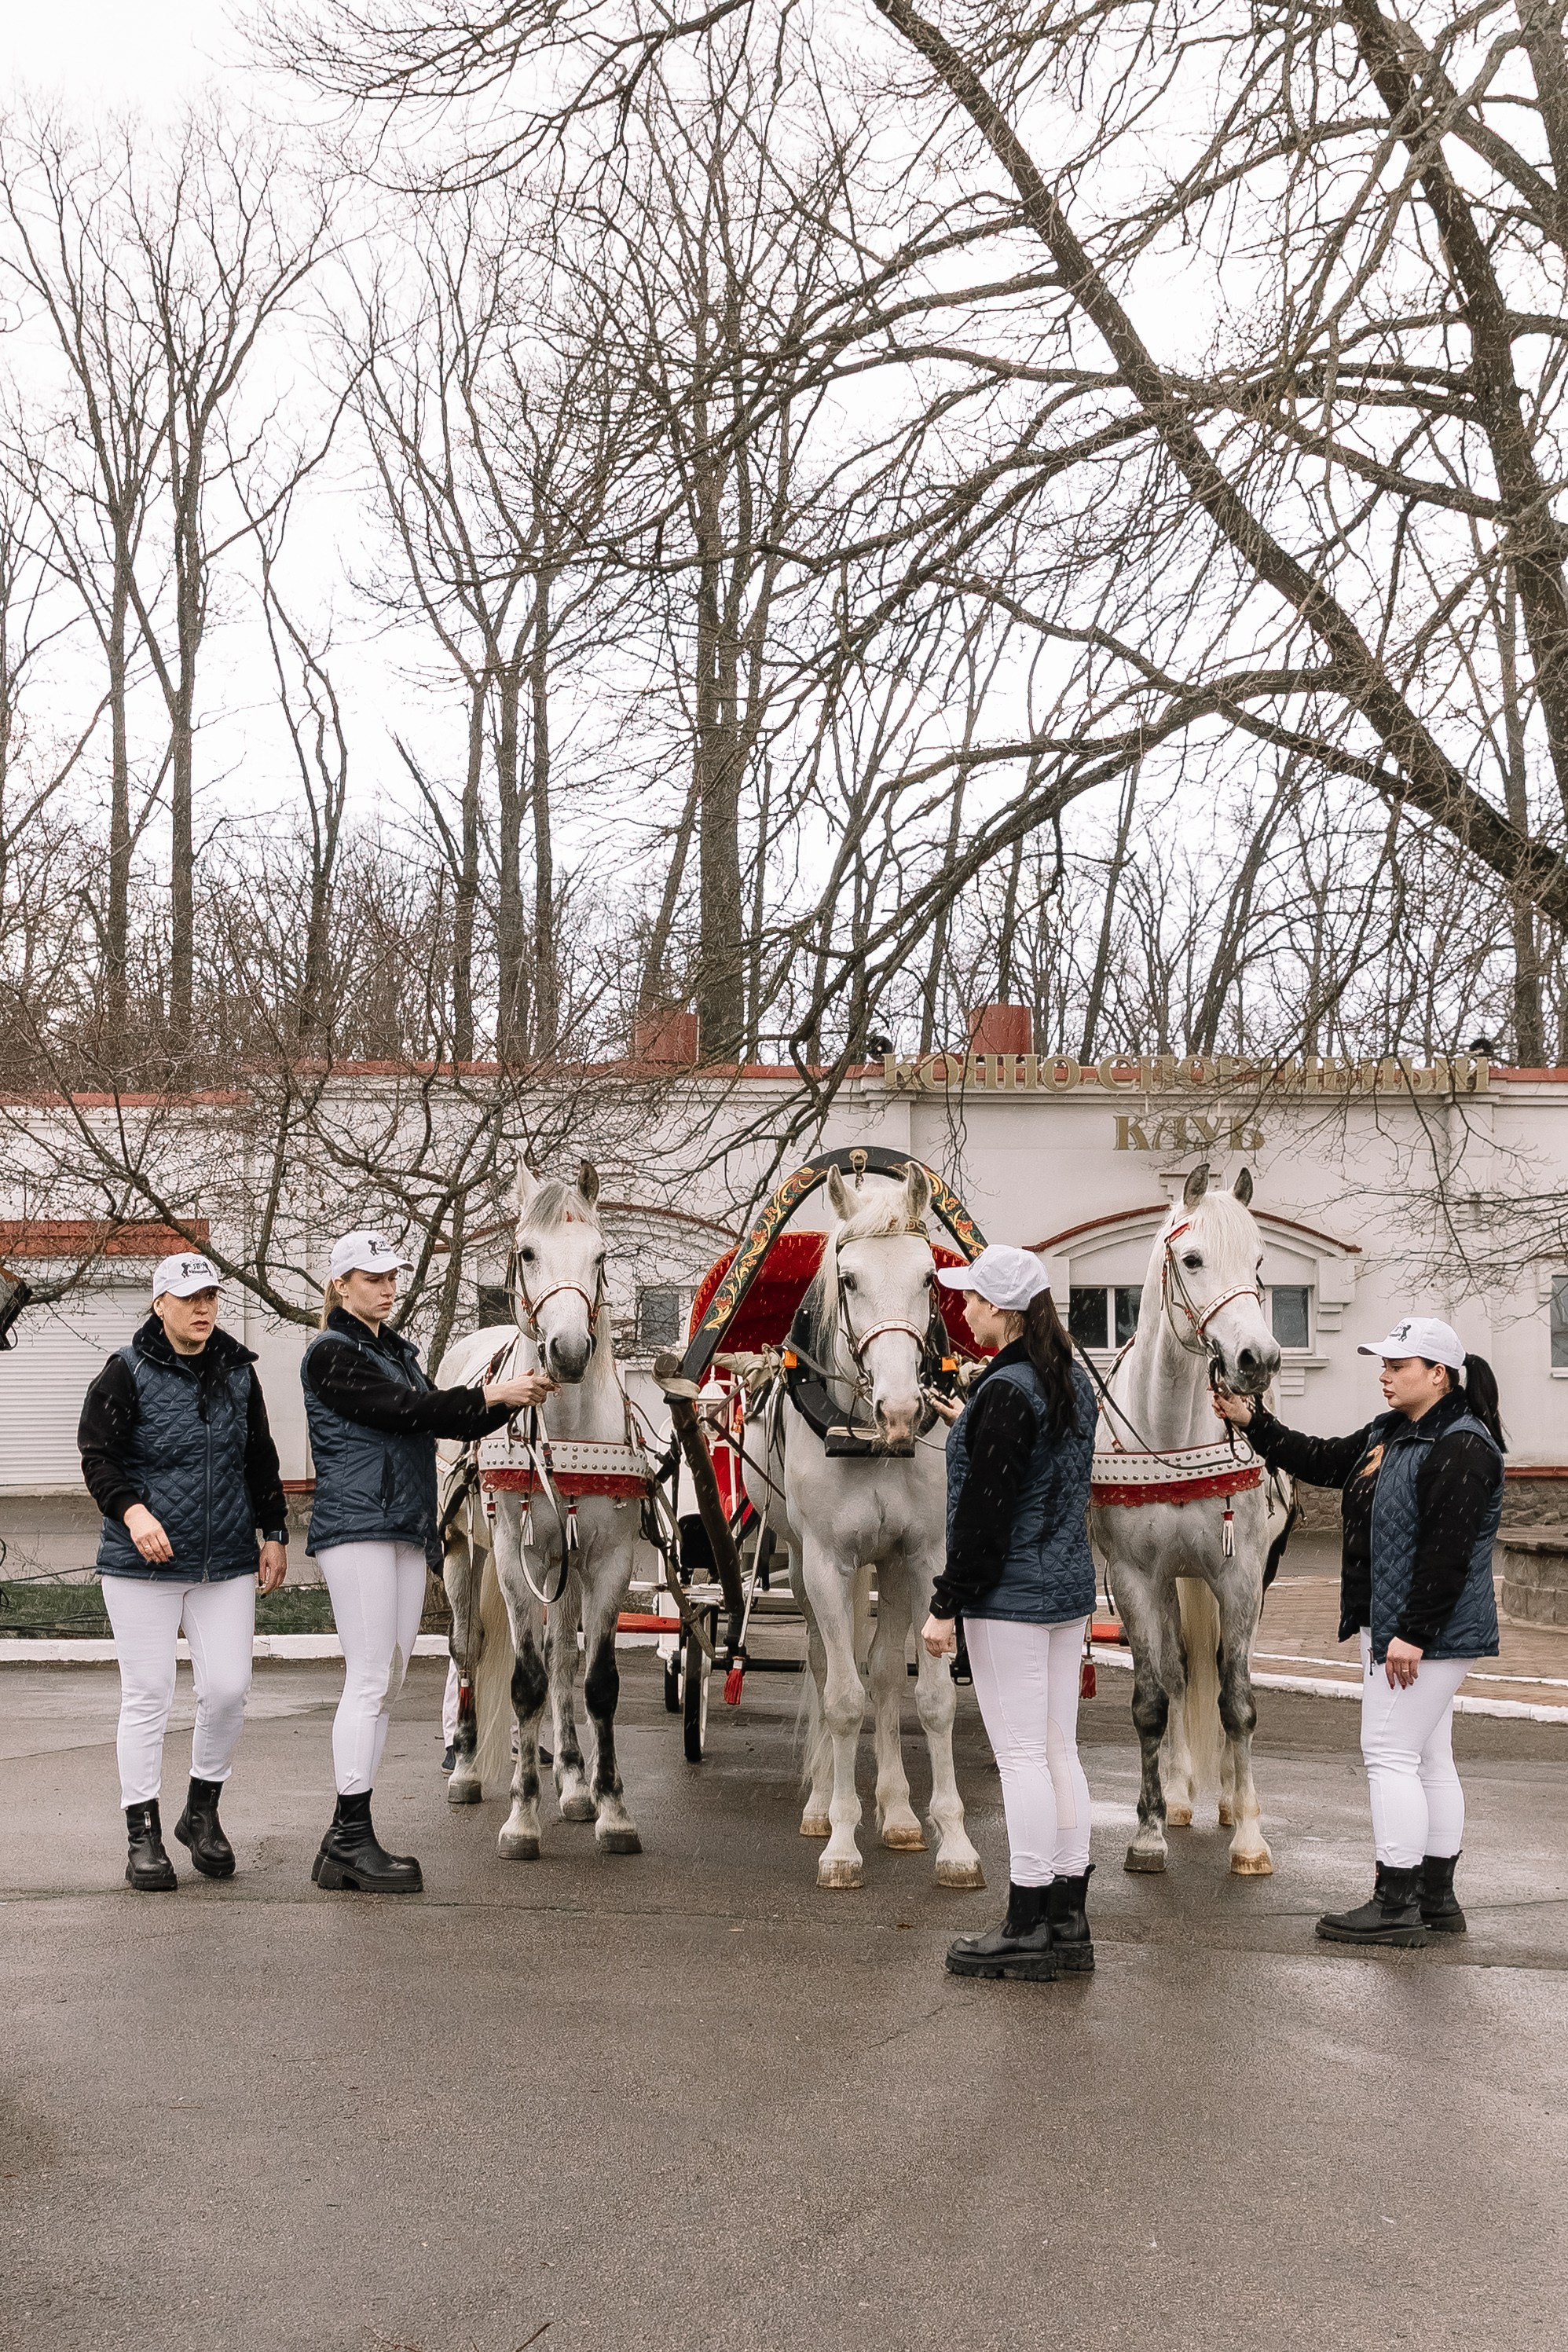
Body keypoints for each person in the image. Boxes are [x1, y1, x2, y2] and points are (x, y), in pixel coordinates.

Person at [1212, 1314, 1504, 1947]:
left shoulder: (1462, 1445)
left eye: (1398, 1367)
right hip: (1403, 1627)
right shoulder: (1390, 1432)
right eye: (1385, 1365)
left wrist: (1414, 1634)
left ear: (1440, 1374)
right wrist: (1252, 1422)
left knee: (1390, 1753)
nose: (1385, 1376)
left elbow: (1448, 1553)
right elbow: (1319, 1459)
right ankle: (1436, 1901)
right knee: (1427, 1757)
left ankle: (1395, 1903)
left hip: (1424, 1635)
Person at [301, 1230, 553, 1893]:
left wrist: (512, 1403)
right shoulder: (332, 1353)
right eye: (372, 1277)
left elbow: (449, 1423)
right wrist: (496, 1395)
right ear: (340, 1285)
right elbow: (406, 1411)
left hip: (406, 1527)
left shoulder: (398, 1353)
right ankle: (351, 1836)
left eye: (391, 1277)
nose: (387, 1287)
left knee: (385, 1681)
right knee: (368, 1680)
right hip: (358, 1527)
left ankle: (344, 1838)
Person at [79, 1252, 289, 1892]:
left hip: (224, 1560)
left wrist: (274, 1532)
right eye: (189, 1297)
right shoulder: (126, 1371)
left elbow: (260, 1459)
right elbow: (97, 1455)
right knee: (148, 1696)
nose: (203, 1309)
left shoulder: (238, 1374)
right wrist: (133, 1511)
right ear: (159, 1304)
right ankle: (141, 1833)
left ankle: (200, 1813)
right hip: (141, 1565)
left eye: (211, 1298)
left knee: (227, 1690)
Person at [920, 1244, 1097, 1983]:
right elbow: (1036, 1469)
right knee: (1060, 1753)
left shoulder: (1004, 1394)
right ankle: (1067, 1917)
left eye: (971, 1300)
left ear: (1003, 1310)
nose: (962, 1310)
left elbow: (985, 1518)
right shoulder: (1069, 1382)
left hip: (1010, 1598)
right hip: (1063, 1591)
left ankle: (1024, 1920)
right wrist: (975, 1419)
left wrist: (944, 1606)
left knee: (1022, 1757)